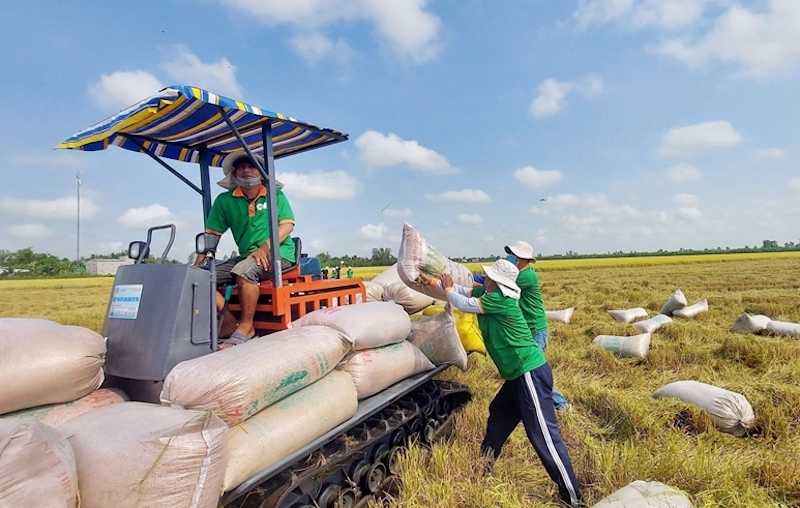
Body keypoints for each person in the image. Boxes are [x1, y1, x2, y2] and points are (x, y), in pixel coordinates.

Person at [420, 260, 582, 507]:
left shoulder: (501, 300)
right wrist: (432, 282)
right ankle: (483, 466)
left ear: (496, 281)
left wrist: (449, 288)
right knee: (498, 413)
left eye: (488, 277)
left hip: (529, 373)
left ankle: (573, 498)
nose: (484, 279)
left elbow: (461, 301)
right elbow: (462, 292)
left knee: (544, 437)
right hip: (517, 376)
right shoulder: (487, 293)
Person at [194, 150, 296, 348]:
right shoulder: (225, 201)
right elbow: (213, 233)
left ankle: (247, 327)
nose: (247, 170)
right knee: (198, 277)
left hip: (279, 253)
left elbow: (287, 225)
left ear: (261, 174)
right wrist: (200, 258)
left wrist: (265, 247)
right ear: (234, 174)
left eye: (252, 167)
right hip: (247, 256)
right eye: (242, 167)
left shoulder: (275, 195)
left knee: (244, 271)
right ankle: (229, 324)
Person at [505, 240, 570, 410]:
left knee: (534, 372)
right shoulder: (520, 273)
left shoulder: (526, 276)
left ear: (521, 258)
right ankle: (527, 404)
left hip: (535, 330)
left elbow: (500, 285)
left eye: (512, 255)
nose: (509, 257)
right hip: (528, 329)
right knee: (527, 371)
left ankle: (561, 405)